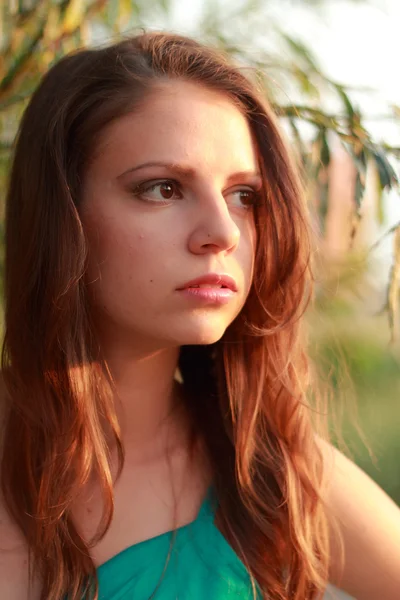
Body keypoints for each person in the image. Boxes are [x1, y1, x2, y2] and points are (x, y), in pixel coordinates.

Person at [0, 30, 399, 600]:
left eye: (244, 196)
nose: (222, 232)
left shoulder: (271, 470)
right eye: (163, 188)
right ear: (63, 216)